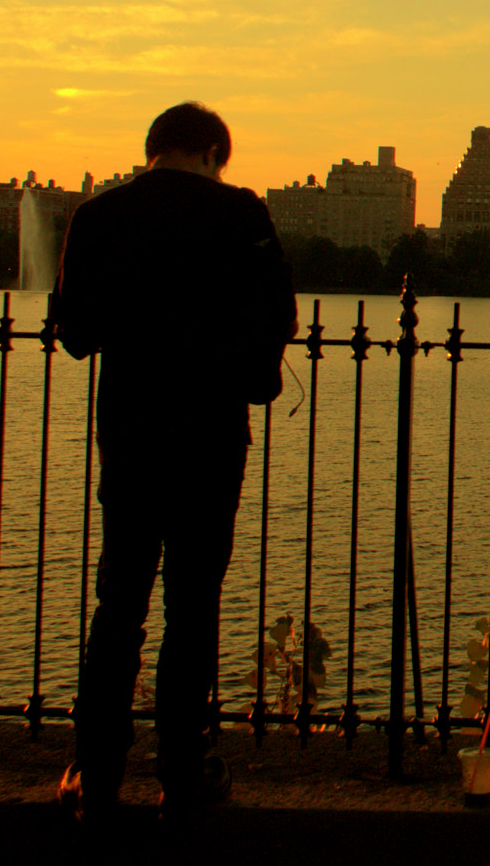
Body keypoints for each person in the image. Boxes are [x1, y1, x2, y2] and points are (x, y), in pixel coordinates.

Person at [52, 103, 296, 822]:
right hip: (210, 435)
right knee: (193, 605)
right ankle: (182, 772)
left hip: (130, 431)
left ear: (153, 148)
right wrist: (256, 377)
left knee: (118, 602)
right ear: (213, 152)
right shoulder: (240, 215)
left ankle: (95, 774)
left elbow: (75, 332)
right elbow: (272, 314)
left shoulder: (99, 216)